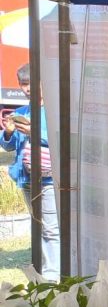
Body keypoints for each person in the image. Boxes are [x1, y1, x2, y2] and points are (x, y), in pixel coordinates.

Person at [1, 64, 59, 280]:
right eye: (22, 84)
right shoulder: (20, 112)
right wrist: (8, 133)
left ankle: (52, 276)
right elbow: (8, 146)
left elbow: (61, 140)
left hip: (49, 179)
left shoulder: (55, 111)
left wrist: (35, 132)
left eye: (30, 84)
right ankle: (45, 268)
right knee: (38, 225)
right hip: (26, 178)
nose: (26, 89)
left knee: (51, 229)